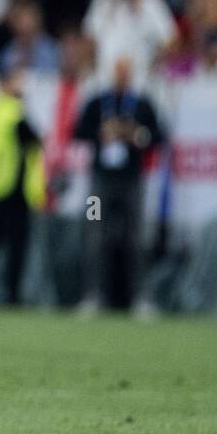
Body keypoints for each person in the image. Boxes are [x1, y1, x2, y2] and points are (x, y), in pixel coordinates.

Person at [72, 55, 164, 315]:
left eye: (126, 72)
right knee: (95, 237)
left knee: (136, 238)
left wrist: (135, 135)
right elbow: (78, 131)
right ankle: (93, 295)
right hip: (101, 178)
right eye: (118, 71)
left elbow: (158, 136)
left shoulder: (142, 104)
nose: (122, 76)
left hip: (131, 178)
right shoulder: (99, 102)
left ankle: (140, 298)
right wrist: (101, 134)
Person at [0, 66, 44, 305]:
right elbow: (35, 140)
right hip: (12, 189)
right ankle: (12, 295)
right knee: (16, 247)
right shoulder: (15, 112)